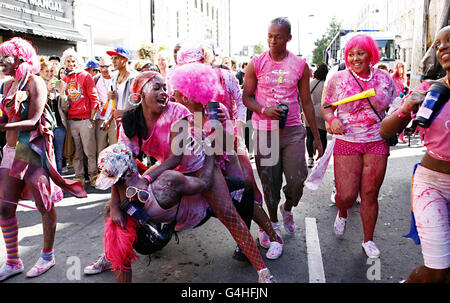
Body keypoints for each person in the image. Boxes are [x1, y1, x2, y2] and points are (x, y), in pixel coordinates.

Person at [85, 71, 276, 283]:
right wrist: (114, 204)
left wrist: (146, 180)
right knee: (116, 213)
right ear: (139, 94)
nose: (163, 93)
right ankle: (110, 257)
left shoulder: (177, 111)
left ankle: (263, 272)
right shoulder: (130, 122)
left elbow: (176, 158)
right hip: (168, 170)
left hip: (199, 166)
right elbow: (121, 167)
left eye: (164, 88)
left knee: (228, 214)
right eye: (156, 88)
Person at [169, 62, 284, 260]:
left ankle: (275, 238)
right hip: (206, 172)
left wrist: (221, 128)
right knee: (228, 210)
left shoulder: (216, 109)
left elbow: (228, 144)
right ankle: (247, 246)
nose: (173, 96)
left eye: (177, 92)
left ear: (187, 95)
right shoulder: (182, 116)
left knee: (244, 201)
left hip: (227, 163)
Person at [0, 38, 86, 281]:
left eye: (5, 57)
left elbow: (35, 119)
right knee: (5, 207)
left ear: (18, 58)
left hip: (32, 151)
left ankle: (48, 256)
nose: (1, 62)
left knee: (44, 205)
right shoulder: (7, 86)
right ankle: (14, 261)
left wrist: (4, 124)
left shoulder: (36, 82)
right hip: (10, 151)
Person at [379, 25, 450, 283]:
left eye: (449, 40)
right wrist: (407, 106)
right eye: (438, 43)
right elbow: (384, 130)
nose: (442, 47)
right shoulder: (431, 91)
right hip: (431, 185)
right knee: (437, 271)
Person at [243, 17, 323, 237]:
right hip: (264, 132)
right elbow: (246, 98)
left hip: (293, 131)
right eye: (269, 36)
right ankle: (273, 225)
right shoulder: (256, 62)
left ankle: (287, 208)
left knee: (297, 180)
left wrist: (316, 137)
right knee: (269, 183)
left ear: (288, 37)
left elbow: (306, 102)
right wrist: (263, 109)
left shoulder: (299, 64)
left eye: (278, 37)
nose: (272, 41)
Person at [321, 34, 396, 258]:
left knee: (370, 193)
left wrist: (396, 118)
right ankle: (342, 210)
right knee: (347, 195)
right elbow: (326, 107)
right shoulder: (338, 79)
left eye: (360, 53)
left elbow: (395, 104)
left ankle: (368, 240)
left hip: (376, 141)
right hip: (347, 141)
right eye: (351, 54)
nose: (355, 58)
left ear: (371, 55)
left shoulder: (384, 78)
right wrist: (331, 120)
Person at [60, 48, 100, 187]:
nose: (71, 63)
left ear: (78, 61)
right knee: (76, 152)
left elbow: (94, 97)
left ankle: (94, 176)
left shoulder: (86, 76)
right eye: (68, 61)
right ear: (64, 63)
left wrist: (92, 118)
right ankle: (79, 178)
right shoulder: (64, 79)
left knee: (89, 151)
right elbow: (61, 101)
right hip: (71, 120)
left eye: (73, 60)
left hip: (85, 119)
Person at [40, 60, 67, 174]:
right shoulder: (38, 84)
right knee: (46, 155)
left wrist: (62, 94)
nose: (49, 73)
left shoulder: (58, 84)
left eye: (52, 71)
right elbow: (38, 105)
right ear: (41, 71)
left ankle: (59, 180)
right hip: (45, 126)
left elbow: (65, 108)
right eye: (46, 71)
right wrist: (47, 91)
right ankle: (48, 180)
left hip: (59, 125)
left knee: (59, 156)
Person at [106, 47, 137, 132]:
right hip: (119, 124)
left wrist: (124, 112)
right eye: (112, 58)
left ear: (126, 59)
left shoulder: (135, 78)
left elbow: (142, 104)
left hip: (132, 124)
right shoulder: (114, 78)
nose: (113, 61)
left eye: (116, 58)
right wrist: (110, 96)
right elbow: (114, 104)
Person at [305, 63, 329, 168]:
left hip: (309, 112)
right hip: (322, 112)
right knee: (322, 136)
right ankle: (321, 159)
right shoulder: (326, 85)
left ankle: (310, 158)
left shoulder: (309, 83)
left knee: (309, 136)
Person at [94, 57, 117, 157]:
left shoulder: (117, 79)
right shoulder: (95, 79)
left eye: (106, 66)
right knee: (100, 150)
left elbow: (119, 103)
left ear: (111, 66)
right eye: (101, 66)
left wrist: (109, 119)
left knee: (114, 149)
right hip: (100, 119)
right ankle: (102, 172)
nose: (103, 69)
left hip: (114, 118)